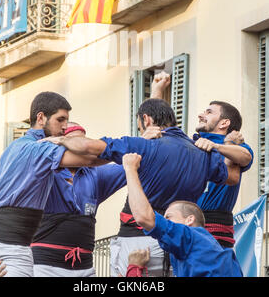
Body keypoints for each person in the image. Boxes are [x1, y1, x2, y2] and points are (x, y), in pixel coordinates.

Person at [43, 97, 240, 277]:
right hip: (176, 243)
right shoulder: (201, 153)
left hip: (138, 239)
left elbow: (88, 147)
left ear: (145, 120)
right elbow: (232, 177)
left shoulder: (141, 145)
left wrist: (61, 139)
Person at [0, 92, 105, 278]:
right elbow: (90, 159)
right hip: (7, 248)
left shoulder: (15, 147)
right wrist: (129, 148)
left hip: (12, 246)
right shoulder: (38, 149)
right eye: (60, 119)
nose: (64, 126)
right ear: (41, 118)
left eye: (66, 120)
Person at [150, 71, 254, 249]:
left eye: (209, 112)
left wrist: (217, 147)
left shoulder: (234, 145)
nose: (200, 114)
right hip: (184, 221)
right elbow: (159, 124)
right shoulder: (191, 144)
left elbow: (246, 157)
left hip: (216, 227)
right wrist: (157, 90)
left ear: (224, 123)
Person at [122, 152, 243, 277]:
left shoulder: (189, 236)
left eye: (169, 217)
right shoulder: (204, 248)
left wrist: (130, 169)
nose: (166, 221)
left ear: (189, 220)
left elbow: (144, 217)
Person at [32, 122, 126, 277]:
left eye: (84, 141)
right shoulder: (46, 172)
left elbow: (131, 162)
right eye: (74, 141)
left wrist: (147, 142)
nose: (81, 147)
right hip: (46, 267)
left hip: (84, 268)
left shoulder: (95, 175)